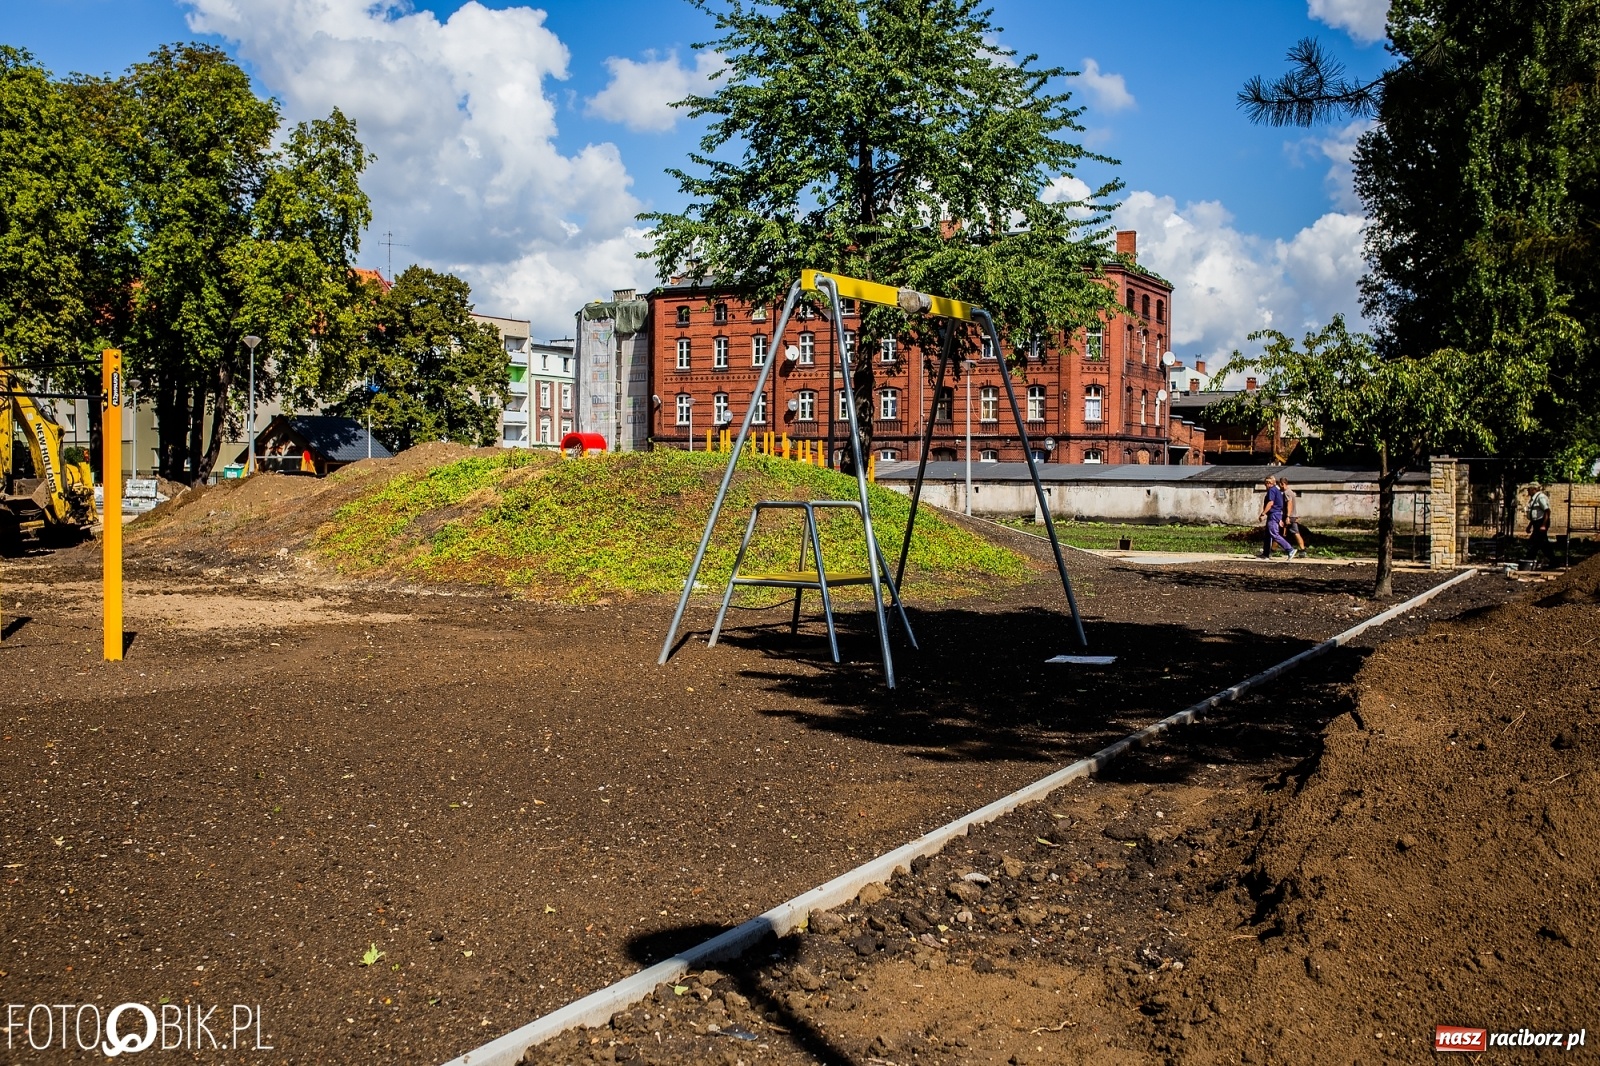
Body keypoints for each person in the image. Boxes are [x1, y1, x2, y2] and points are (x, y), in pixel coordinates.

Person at [1258, 475, 1298, 560]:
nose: (1266, 485)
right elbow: (1279, 504)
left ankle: (1290, 549)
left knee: (1274, 534)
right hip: (1276, 514)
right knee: (1268, 535)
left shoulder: (1271, 491)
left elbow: (1271, 503)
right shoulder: (1277, 491)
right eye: (1265, 483)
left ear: (1271, 483)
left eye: (1268, 483)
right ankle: (1266, 554)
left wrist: (1263, 513)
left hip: (1273, 514)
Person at [1527, 482, 1553, 568]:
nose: (1528, 490)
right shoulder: (1534, 498)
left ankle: (1529, 561)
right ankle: (1530, 561)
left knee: (1535, 543)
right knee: (1540, 543)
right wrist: (1530, 525)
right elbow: (1535, 514)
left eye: (1529, 489)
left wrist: (1543, 525)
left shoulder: (1540, 497)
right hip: (1536, 523)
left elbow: (1547, 511)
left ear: (1534, 489)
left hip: (1541, 522)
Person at [1279, 476, 1307, 551]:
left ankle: (1272, 550)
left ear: (1282, 484)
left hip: (1289, 517)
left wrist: (1287, 517)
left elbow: (1289, 503)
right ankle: (1302, 550)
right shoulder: (1291, 492)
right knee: (1291, 533)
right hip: (1292, 516)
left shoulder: (1287, 493)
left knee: (1280, 534)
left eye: (1280, 485)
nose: (1279, 487)